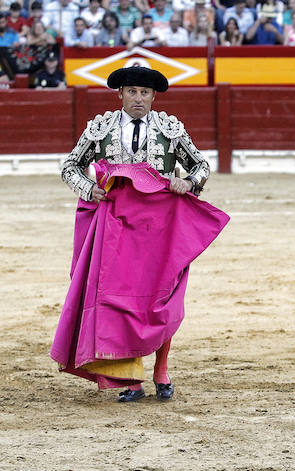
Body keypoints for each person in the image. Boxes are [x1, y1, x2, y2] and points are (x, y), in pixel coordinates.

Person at [59, 65, 211, 402]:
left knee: (161, 300)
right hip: (116, 229)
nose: (138, 98)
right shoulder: (100, 129)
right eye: (132, 91)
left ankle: (161, 369)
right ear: (120, 95)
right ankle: (131, 377)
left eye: (144, 93)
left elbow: (201, 166)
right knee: (122, 301)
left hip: (160, 228)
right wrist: (88, 190)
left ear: (153, 97)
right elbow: (69, 166)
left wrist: (187, 182)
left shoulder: (170, 129)